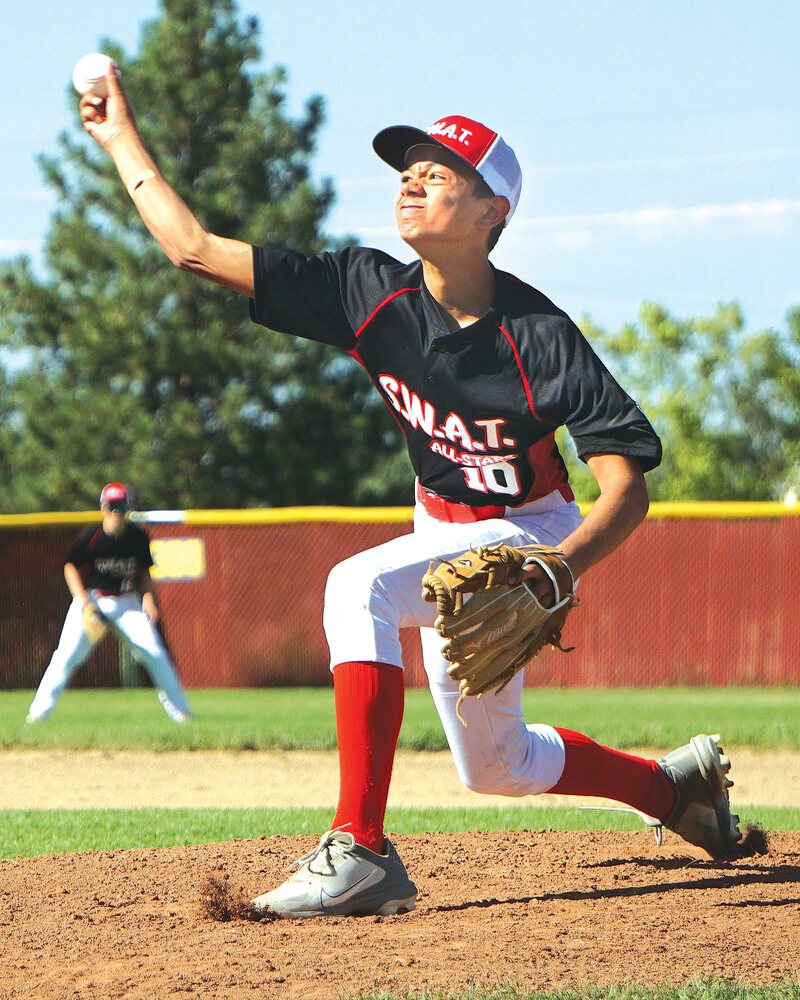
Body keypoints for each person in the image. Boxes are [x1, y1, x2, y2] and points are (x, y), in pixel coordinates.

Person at [80, 68, 740, 917]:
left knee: (357, 586)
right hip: (441, 527)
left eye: (440, 170)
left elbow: (627, 488)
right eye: (407, 166)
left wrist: (558, 569)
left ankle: (359, 847)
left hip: (529, 535)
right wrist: (118, 139)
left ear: (494, 211)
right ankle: (671, 786)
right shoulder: (369, 290)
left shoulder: (540, 338)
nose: (412, 178)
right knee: (497, 766)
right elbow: (194, 250)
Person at [27, 482, 192, 724]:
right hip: (95, 600)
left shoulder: (137, 537)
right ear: (103, 508)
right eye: (111, 507)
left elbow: (144, 574)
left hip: (127, 603)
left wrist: (148, 600)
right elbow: (71, 567)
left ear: (128, 509)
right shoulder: (91, 536)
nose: (115, 512)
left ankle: (181, 714)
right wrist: (83, 601)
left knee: (155, 653)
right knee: (67, 656)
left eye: (120, 507)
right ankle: (38, 714)